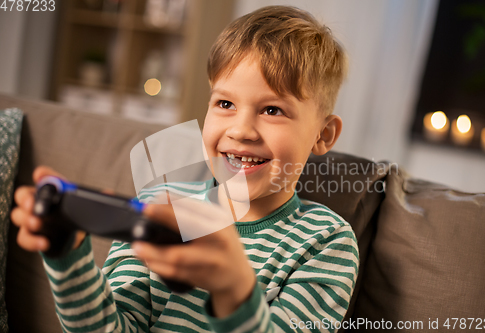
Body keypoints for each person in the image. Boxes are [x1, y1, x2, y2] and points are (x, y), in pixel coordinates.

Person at [11, 5, 359, 333]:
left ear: (323, 134)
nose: (240, 130)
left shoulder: (326, 242)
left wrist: (235, 293)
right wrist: (68, 257)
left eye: (272, 110)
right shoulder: (161, 207)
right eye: (225, 103)